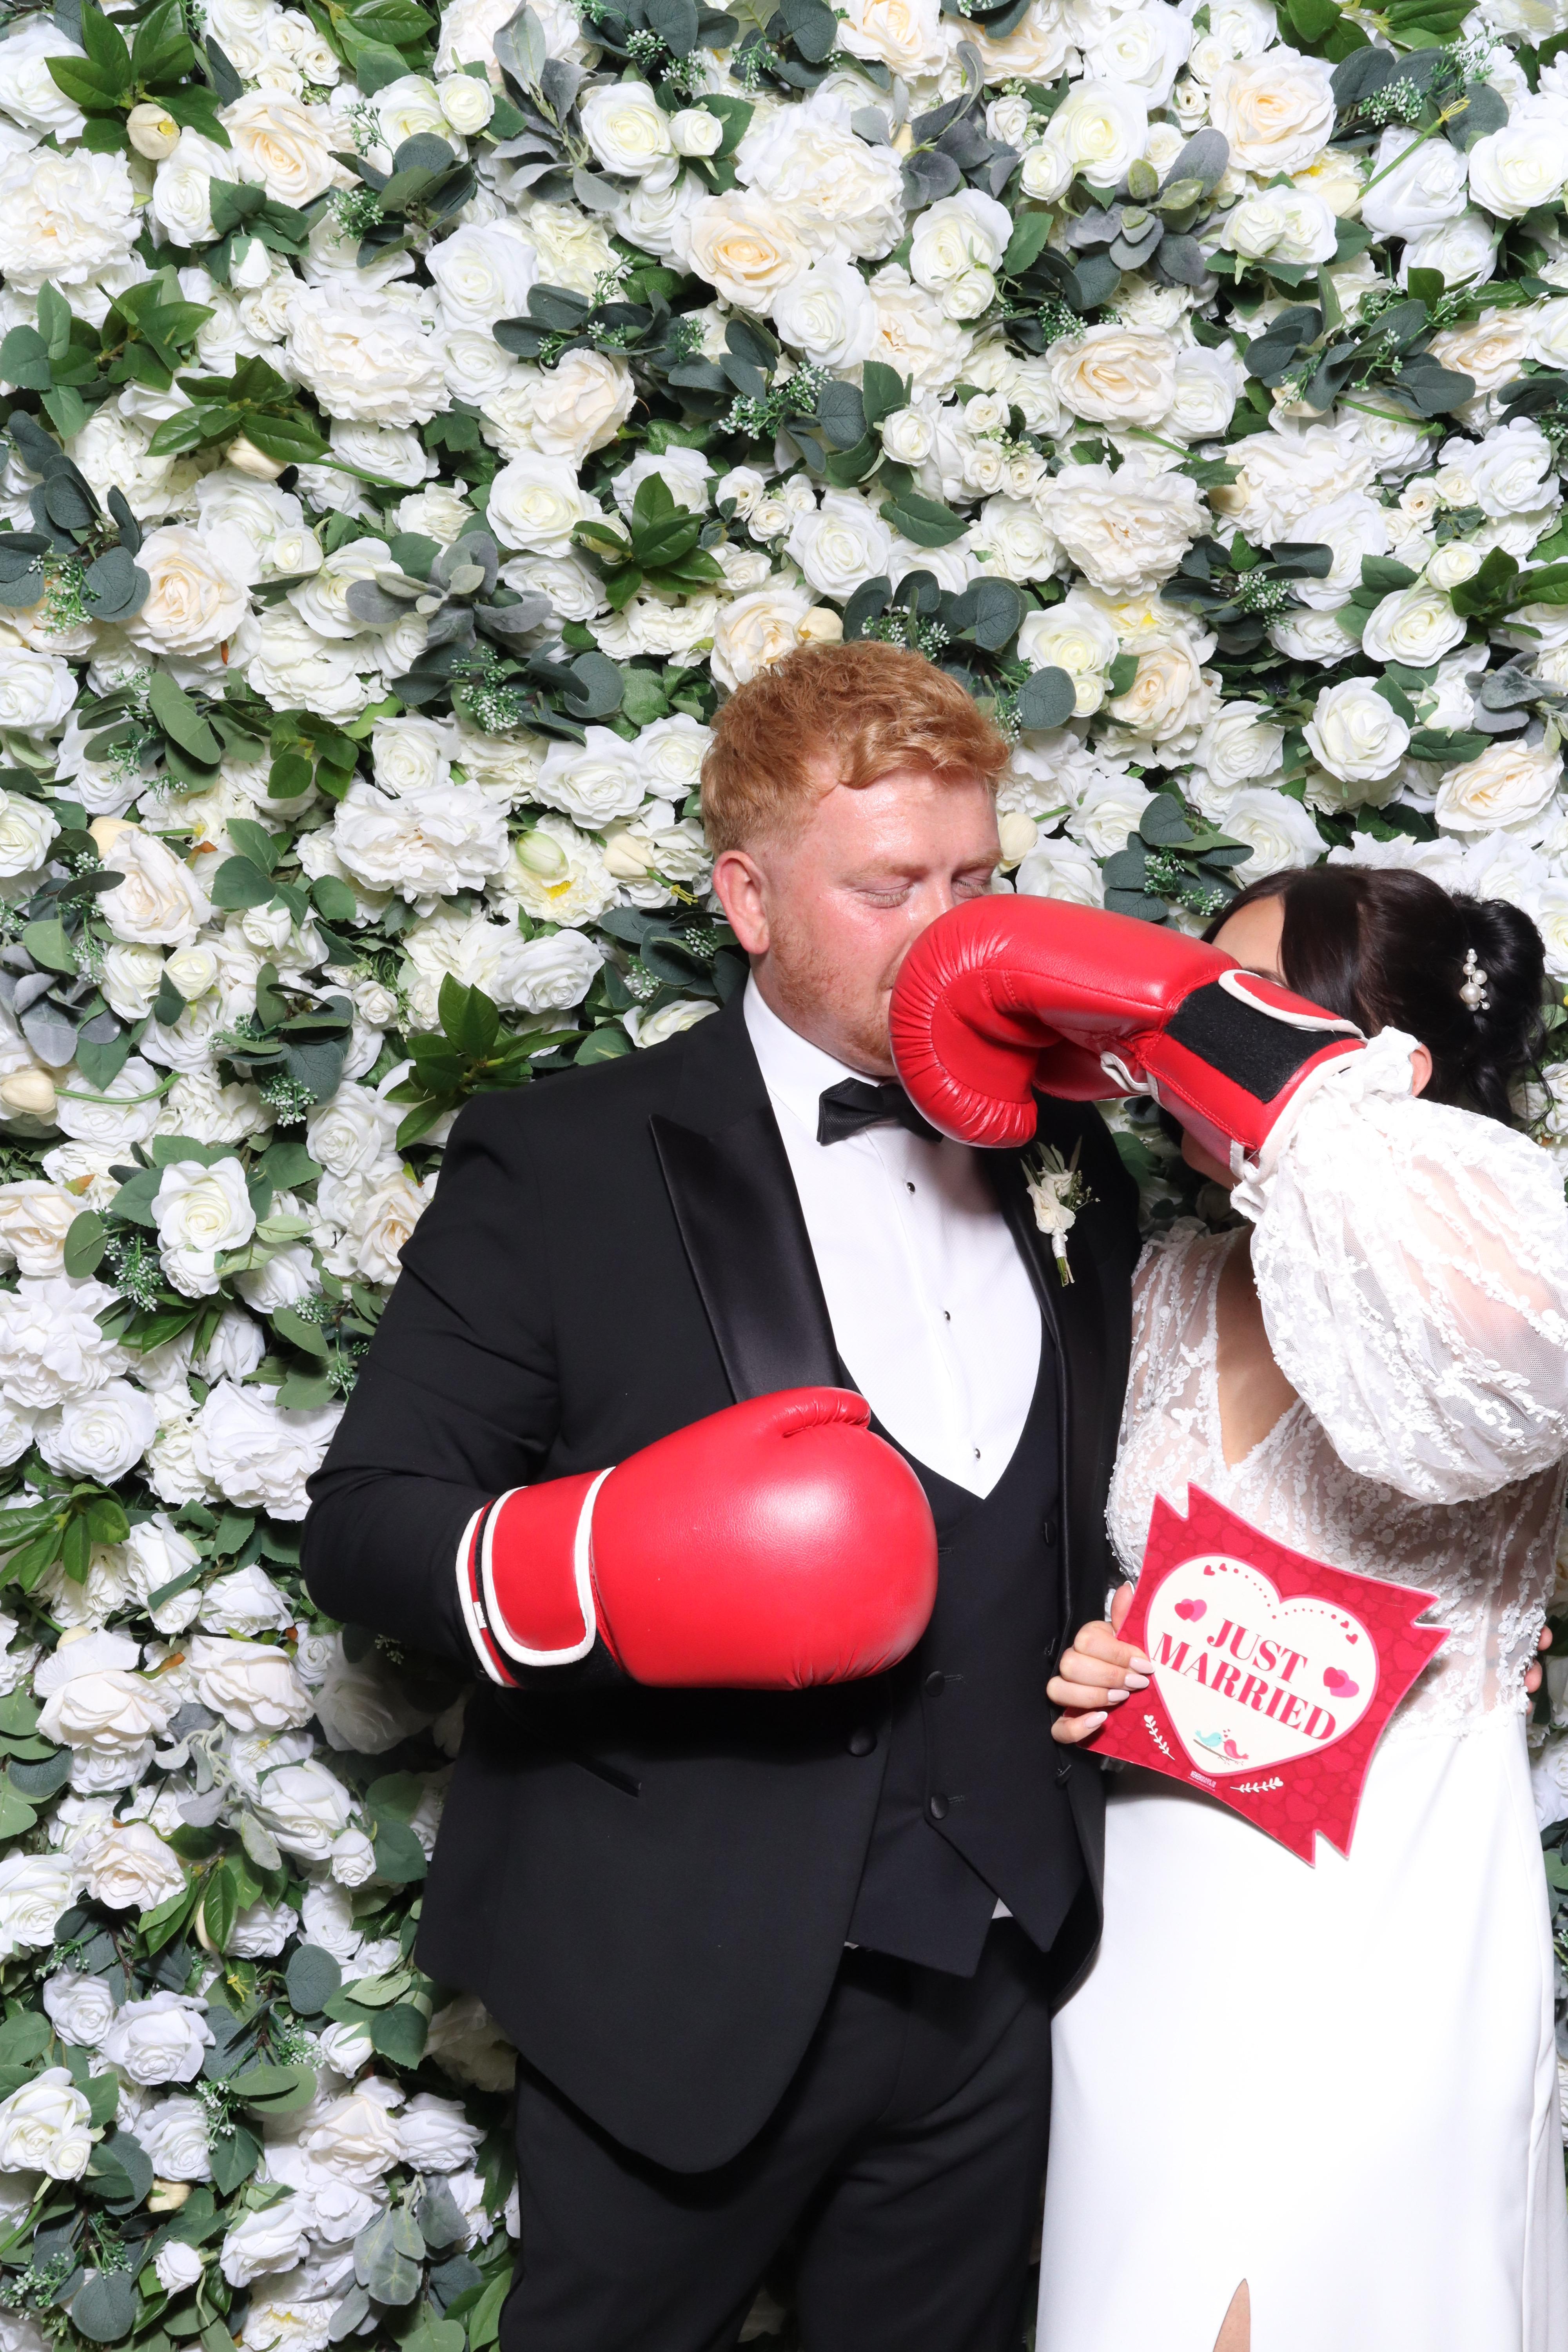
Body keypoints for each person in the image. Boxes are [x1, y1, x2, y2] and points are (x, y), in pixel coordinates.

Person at [301, 641, 1141, 2351]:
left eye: (979, 878)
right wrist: (617, 1560)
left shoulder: (1076, 1151)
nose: (954, 928)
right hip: (685, 1972)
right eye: (890, 885)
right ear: (747, 899)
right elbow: (372, 1518)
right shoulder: (564, 1160)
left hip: (1003, 1964)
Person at [891, 864, 1568, 2352]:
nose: (1179, 1042)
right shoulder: (1169, 1280)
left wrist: (1301, 1105)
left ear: (1370, 1056)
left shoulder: (1509, 1281)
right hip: (1162, 1909)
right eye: (1187, 995)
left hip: (1389, 1901)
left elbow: (1500, 1372)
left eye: (1238, 1007)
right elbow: (1123, 1558)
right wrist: (1099, 1649)